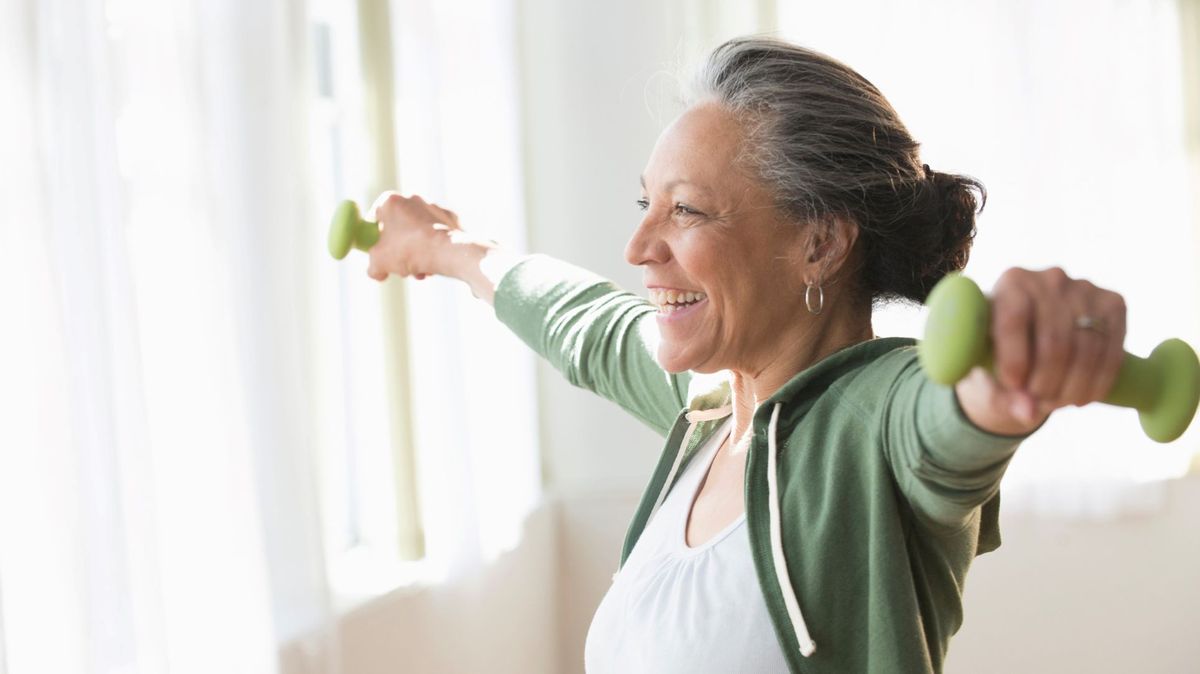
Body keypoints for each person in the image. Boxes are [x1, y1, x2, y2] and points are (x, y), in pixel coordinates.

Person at [362, 37, 1126, 674]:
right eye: (646, 205)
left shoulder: (872, 422)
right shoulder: (713, 412)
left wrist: (1006, 380)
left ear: (819, 243)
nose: (637, 246)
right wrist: (446, 248)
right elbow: (585, 325)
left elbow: (945, 419)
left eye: (686, 209)